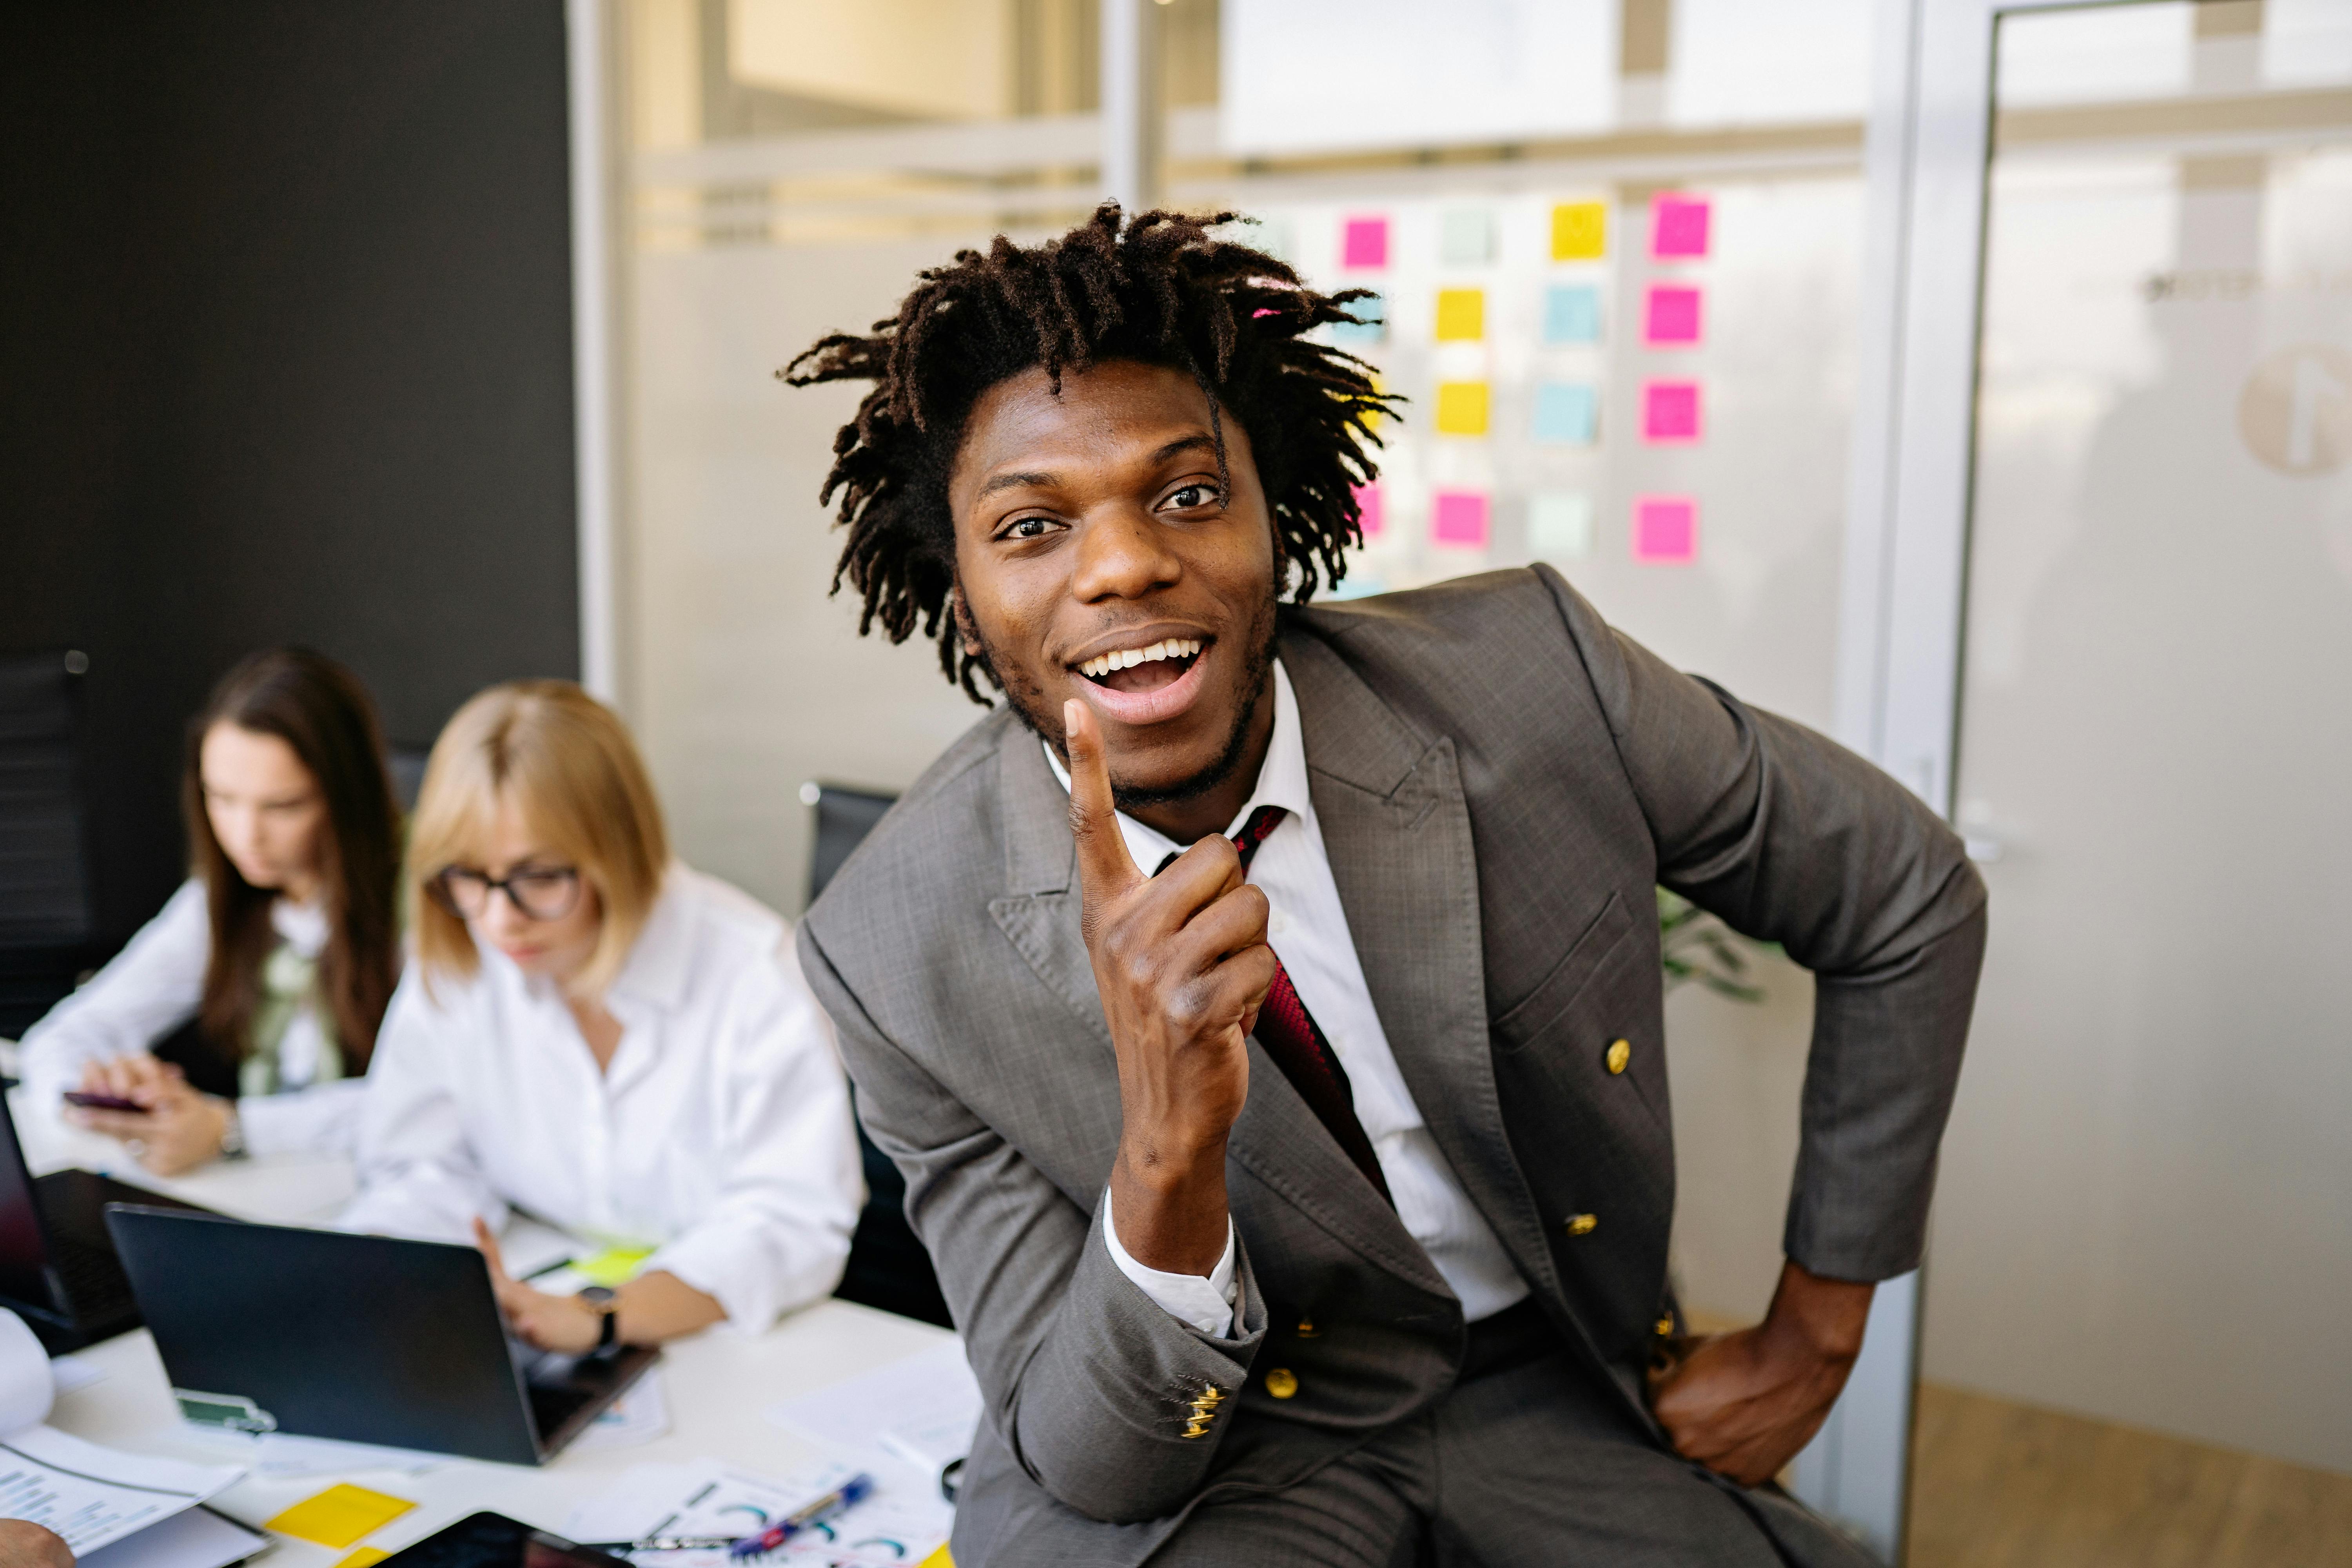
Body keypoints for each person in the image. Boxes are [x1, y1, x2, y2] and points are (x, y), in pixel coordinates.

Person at [785, 207, 1987, 1566]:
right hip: (1220, 1452)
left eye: (1187, 494)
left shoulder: (1533, 684)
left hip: (1548, 1385)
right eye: (1031, 526)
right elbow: (1097, 1462)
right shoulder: (890, 950)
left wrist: (1819, 1328)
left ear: (1276, 518)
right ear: (961, 600)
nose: (1122, 564)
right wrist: (1167, 1148)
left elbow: (1903, 891)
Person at [340, 681, 862, 1351]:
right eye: (469, 876)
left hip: (717, 1341)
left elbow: (791, 1222)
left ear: (619, 852)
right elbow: (424, 1164)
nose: (500, 919)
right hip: (534, 1301)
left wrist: (599, 1317)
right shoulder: (465, 950)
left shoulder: (755, 974)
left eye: (541, 877)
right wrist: (374, 1267)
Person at [20, 648, 403, 1174]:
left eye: (283, 806)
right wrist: (106, 1096)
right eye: (222, 798)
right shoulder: (219, 901)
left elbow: (437, 1102)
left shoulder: (427, 909)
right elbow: (62, 1039)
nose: (246, 836)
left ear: (346, 796)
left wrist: (229, 1128)